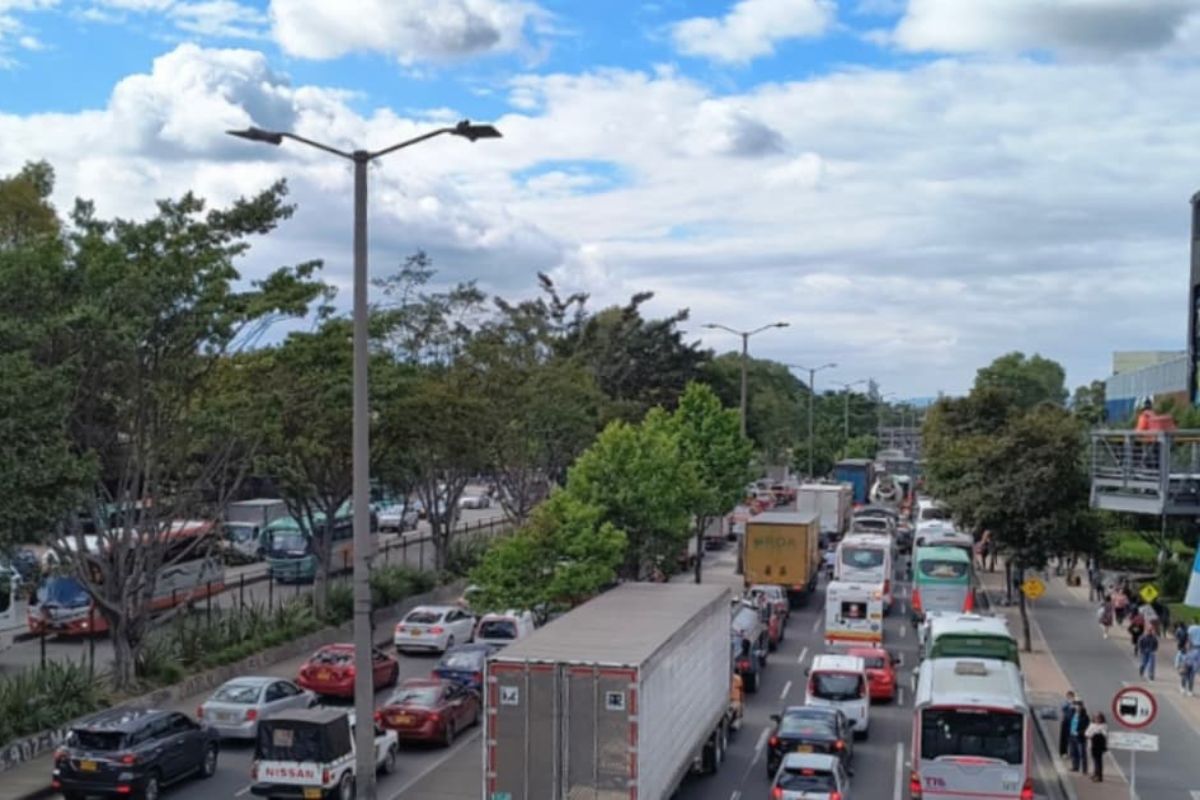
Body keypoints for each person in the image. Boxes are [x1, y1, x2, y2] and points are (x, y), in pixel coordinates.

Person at [1068, 697, 1089, 773]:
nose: (1077, 707)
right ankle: (1075, 767)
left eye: (1079, 705)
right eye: (1076, 705)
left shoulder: (1085, 717)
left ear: (1082, 707)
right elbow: (1067, 718)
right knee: (1074, 752)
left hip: (1080, 738)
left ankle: (1084, 770)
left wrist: (1079, 733)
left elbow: (1087, 728)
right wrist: (1071, 707)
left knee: (1082, 754)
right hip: (1072, 736)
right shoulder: (1073, 713)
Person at [1086, 713, 1109, 782]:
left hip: (1099, 745)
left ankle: (1099, 776)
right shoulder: (1092, 725)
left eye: (1099, 718)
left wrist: (1097, 732)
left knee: (1098, 761)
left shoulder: (1104, 726)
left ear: (1102, 719)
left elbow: (1105, 734)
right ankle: (1095, 773)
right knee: (1095, 760)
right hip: (1092, 745)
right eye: (1096, 718)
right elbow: (1087, 733)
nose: (1097, 720)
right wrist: (1090, 734)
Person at [1059, 690, 1077, 758]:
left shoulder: (1075, 703)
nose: (1070, 698)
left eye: (1071, 696)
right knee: (1064, 738)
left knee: (1072, 738)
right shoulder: (1065, 702)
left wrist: (1074, 706)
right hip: (1065, 722)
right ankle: (1063, 752)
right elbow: (1063, 708)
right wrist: (1069, 704)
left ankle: (1072, 752)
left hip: (1073, 723)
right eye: (1069, 696)